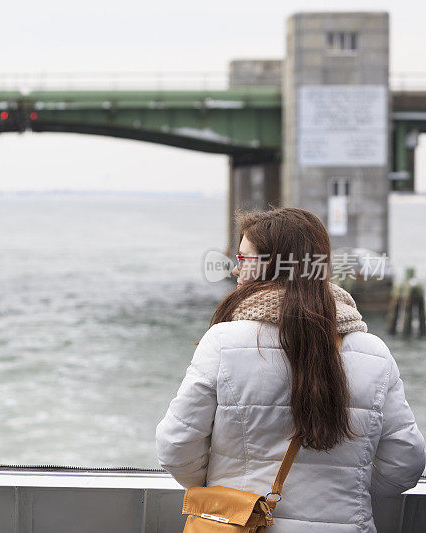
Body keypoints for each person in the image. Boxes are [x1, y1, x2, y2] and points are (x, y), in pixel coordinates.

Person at [155, 207, 425, 532]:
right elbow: (406, 460)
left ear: (271, 265)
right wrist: (347, 488)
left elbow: (176, 446)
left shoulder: (224, 342)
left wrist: (227, 483)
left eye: (243, 259)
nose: (235, 270)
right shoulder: (374, 352)